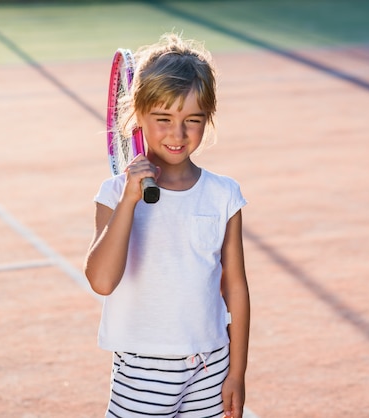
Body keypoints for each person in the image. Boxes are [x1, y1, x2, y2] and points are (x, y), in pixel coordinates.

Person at [84, 33, 250, 418]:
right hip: (144, 367)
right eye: (163, 119)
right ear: (137, 116)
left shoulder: (224, 194)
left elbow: (236, 286)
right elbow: (102, 281)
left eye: (192, 120)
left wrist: (237, 372)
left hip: (211, 364)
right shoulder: (113, 193)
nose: (178, 134)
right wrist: (129, 201)